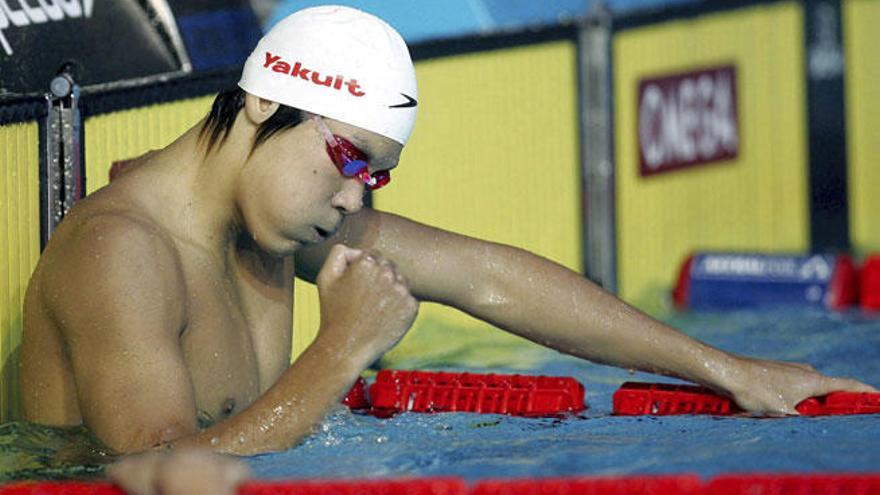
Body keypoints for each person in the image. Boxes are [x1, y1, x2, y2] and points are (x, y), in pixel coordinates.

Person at [19, 4, 876, 458]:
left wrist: (732, 369)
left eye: (374, 175)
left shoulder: (278, 221)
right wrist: (341, 348)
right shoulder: (122, 254)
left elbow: (488, 277)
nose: (356, 201)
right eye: (349, 158)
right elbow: (153, 478)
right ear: (263, 102)